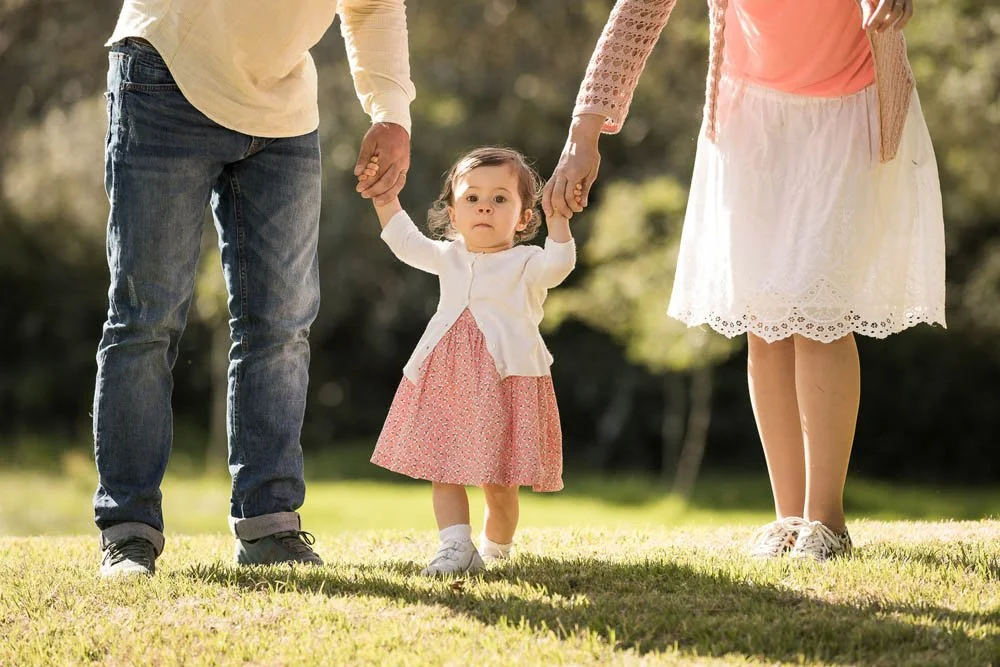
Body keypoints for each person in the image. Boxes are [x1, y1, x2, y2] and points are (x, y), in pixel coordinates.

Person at [545, 0, 945, 561]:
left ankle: (827, 521)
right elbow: (636, 14)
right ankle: (789, 517)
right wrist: (583, 135)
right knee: (766, 320)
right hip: (751, 119)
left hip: (847, 110)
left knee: (821, 315)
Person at [93, 0, 416, 577]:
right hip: (166, 70)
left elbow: (373, 7)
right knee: (146, 318)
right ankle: (128, 530)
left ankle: (268, 528)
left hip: (282, 108)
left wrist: (391, 113)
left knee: (281, 326)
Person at [364, 147, 577, 576]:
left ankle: (496, 550)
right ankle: (454, 546)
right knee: (444, 466)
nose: (484, 206)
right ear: (454, 214)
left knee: (499, 483)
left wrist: (559, 220)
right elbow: (406, 244)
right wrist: (384, 200)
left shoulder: (527, 262)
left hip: (505, 380)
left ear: (522, 218)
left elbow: (559, 265)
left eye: (500, 199)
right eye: (471, 198)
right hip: (446, 376)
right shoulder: (450, 256)